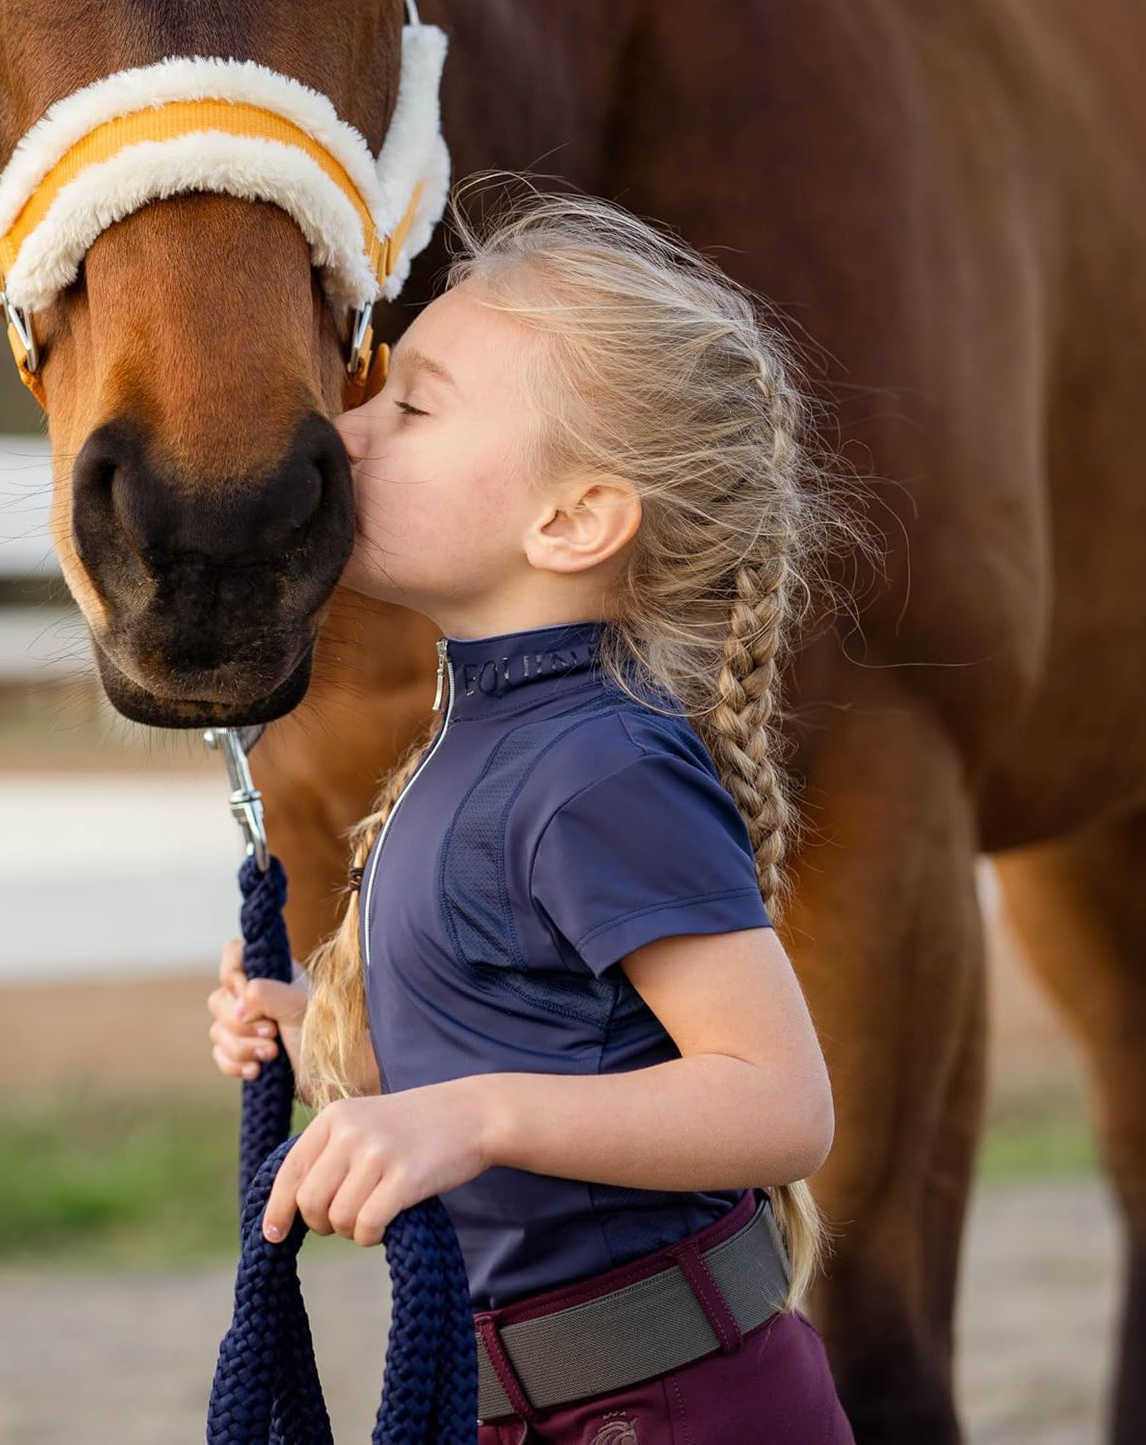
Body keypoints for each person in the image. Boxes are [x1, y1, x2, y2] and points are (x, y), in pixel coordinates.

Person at [207, 182, 872, 1443]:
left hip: (673, 1413)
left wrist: (467, 1115)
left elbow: (777, 1101)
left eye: (411, 406)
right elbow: (535, 1039)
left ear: (573, 521)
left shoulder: (598, 764)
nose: (346, 432)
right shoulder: (485, 741)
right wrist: (317, 1043)